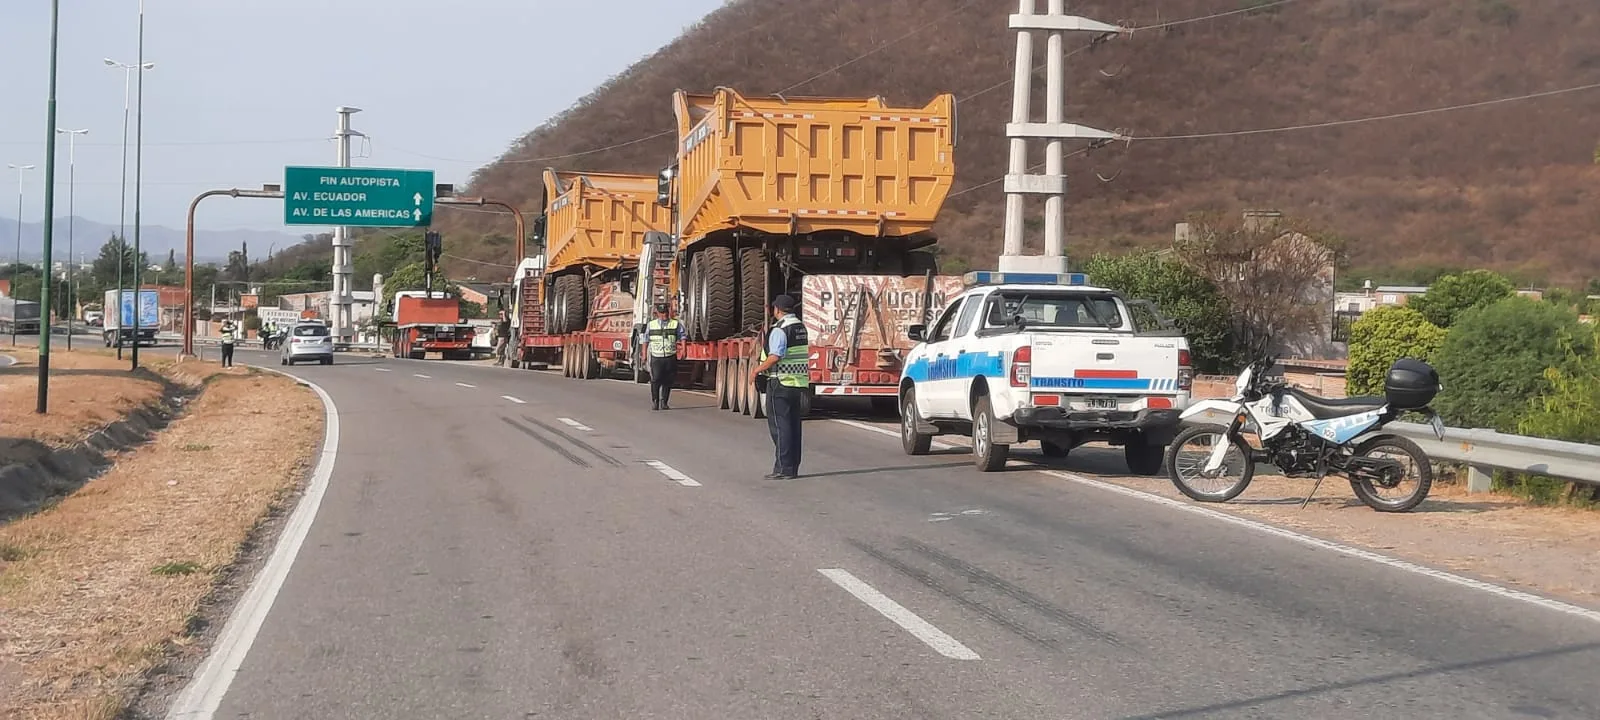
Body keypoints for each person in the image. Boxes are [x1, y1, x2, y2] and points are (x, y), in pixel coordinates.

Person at [752, 294, 809, 479]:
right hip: (797, 382)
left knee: (779, 427)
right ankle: (791, 468)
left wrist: (756, 371)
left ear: (777, 310)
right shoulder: (800, 327)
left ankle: (783, 468)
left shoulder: (780, 329)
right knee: (793, 427)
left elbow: (775, 356)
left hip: (780, 382)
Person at [644, 302, 685, 410]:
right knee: (656, 379)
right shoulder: (651, 325)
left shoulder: (675, 324)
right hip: (656, 357)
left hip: (670, 356)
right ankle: (655, 401)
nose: (664, 315)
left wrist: (684, 350)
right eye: (662, 313)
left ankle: (664, 402)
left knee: (668, 380)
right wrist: (644, 354)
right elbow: (645, 340)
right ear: (657, 313)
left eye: (666, 313)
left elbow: (682, 336)